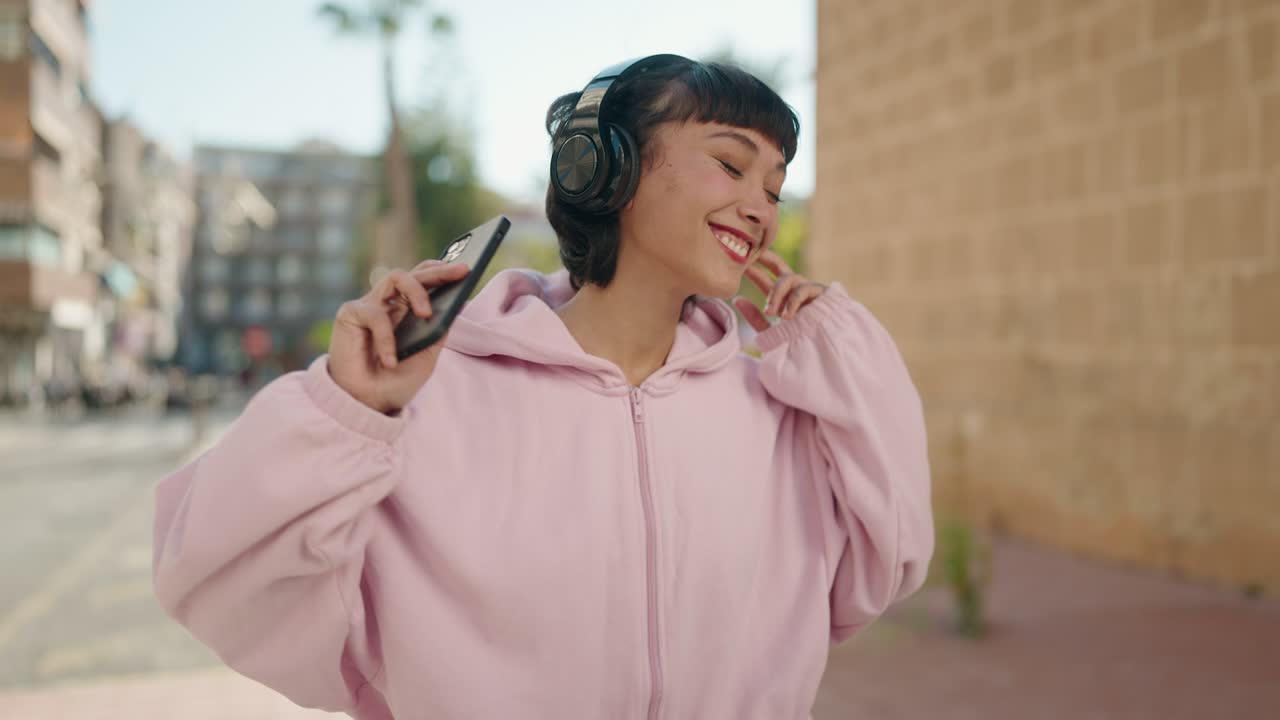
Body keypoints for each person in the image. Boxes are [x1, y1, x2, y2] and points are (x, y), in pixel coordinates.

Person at [152, 54, 933, 720]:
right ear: (604, 168)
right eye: (732, 165)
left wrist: (838, 348)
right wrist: (347, 413)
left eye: (776, 185)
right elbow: (224, 583)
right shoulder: (422, 403)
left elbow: (889, 555)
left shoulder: (774, 414)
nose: (761, 206)